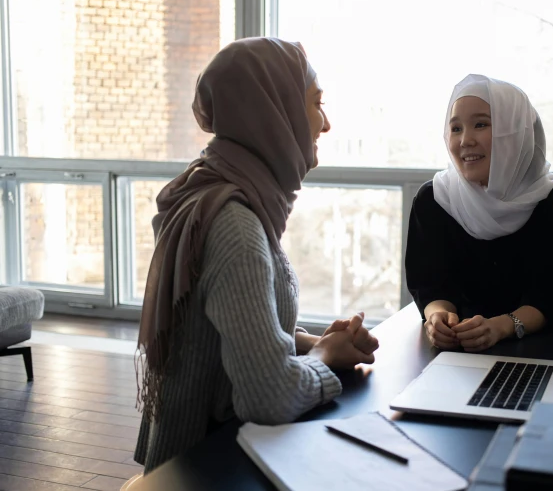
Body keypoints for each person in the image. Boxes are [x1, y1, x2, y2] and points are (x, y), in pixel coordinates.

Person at [133, 38, 379, 473]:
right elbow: (266, 396)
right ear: (274, 108)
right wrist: (327, 358)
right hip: (207, 470)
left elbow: (220, 336)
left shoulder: (219, 189)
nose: (325, 123)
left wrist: (312, 342)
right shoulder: (234, 223)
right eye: (316, 103)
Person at [406, 74, 553, 353]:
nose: (465, 140)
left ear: (514, 132)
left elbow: (551, 296)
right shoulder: (434, 200)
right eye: (455, 128)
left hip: (543, 343)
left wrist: (502, 326)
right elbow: (430, 283)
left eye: (481, 124)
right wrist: (437, 316)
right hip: (462, 352)